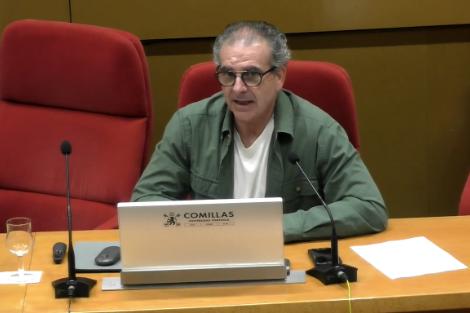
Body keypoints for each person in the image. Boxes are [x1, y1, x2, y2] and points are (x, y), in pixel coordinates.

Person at [132, 21, 388, 242]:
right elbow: (145, 201)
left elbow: (368, 207)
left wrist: (274, 228)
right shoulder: (189, 125)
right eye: (228, 75)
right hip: (210, 253)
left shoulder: (318, 130)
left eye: (252, 75)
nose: (238, 88)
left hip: (285, 257)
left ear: (279, 76)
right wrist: (201, 229)